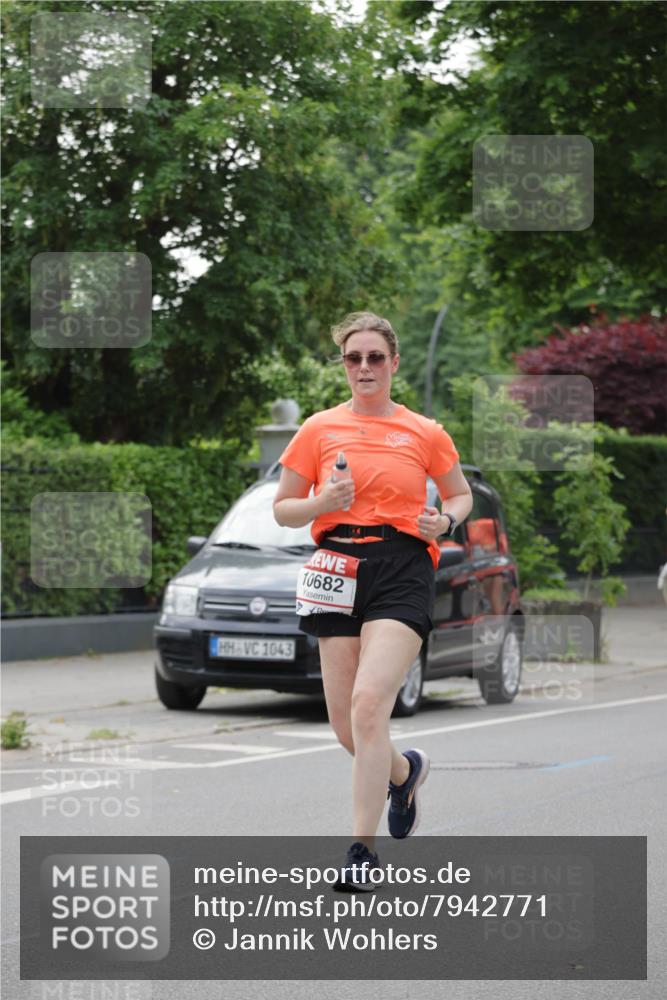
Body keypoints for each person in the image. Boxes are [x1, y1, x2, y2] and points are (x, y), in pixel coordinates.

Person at [273, 311, 472, 890]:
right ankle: (405, 773)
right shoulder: (317, 428)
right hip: (336, 564)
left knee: (368, 707)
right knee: (346, 728)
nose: (364, 366)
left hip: (403, 567)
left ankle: (361, 850)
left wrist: (444, 521)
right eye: (353, 357)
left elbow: (458, 494)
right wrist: (323, 499)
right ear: (343, 365)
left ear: (394, 364)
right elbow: (284, 508)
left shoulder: (423, 430)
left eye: (375, 357)